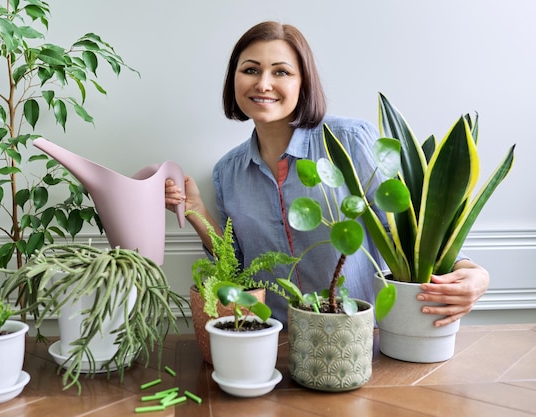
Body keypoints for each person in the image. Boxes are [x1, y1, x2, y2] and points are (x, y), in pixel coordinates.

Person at [165, 21, 489, 326]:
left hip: (359, 339)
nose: (263, 83)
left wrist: (470, 271)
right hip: (276, 340)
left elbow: (401, 230)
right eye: (250, 70)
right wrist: (196, 211)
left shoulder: (349, 141)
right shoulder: (228, 171)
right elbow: (236, 264)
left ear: (303, 82)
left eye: (281, 72)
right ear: (233, 79)